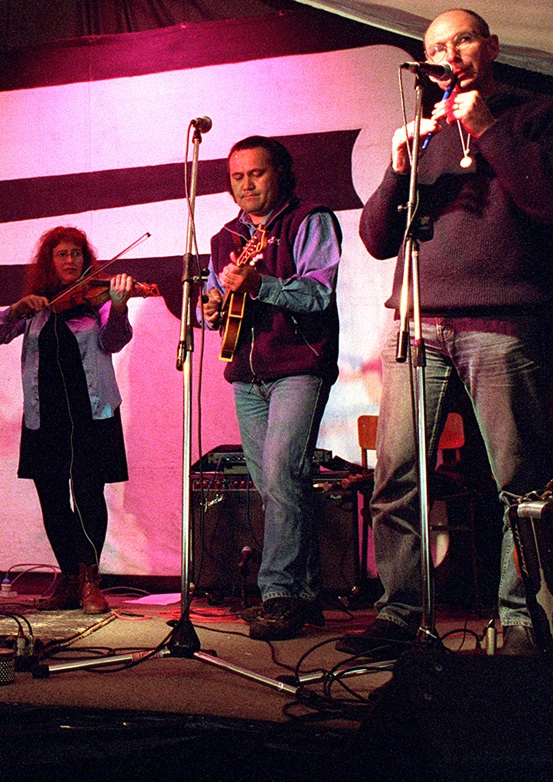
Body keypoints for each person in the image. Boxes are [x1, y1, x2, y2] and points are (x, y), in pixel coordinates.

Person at [342, 9, 553, 657]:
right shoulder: (425, 132)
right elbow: (376, 241)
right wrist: (397, 168)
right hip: (416, 322)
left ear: (491, 46)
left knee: (519, 483)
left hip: (501, 323)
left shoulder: (539, 117)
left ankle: (519, 623)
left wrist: (488, 129)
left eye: (462, 40)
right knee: (396, 478)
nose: (448, 53)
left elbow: (551, 203)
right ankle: (399, 614)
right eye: (435, 46)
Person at [199, 136, 342, 641]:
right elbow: (213, 299)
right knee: (277, 486)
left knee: (282, 475)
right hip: (247, 375)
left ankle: (278, 593)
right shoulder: (224, 237)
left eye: (255, 173)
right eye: (236, 177)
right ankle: (307, 593)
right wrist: (210, 308)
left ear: (279, 172)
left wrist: (260, 286)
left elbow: (319, 292)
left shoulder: (308, 220)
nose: (245, 185)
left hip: (298, 366)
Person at [0, 227, 146, 614]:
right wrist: (15, 310)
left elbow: (113, 341)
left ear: (85, 260)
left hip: (91, 412)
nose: (70, 260)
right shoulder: (38, 306)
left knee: (88, 495)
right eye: (62, 254)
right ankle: (70, 578)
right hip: (45, 415)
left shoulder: (98, 301)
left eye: (76, 254)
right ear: (50, 261)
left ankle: (90, 580)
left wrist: (118, 307)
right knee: (52, 501)